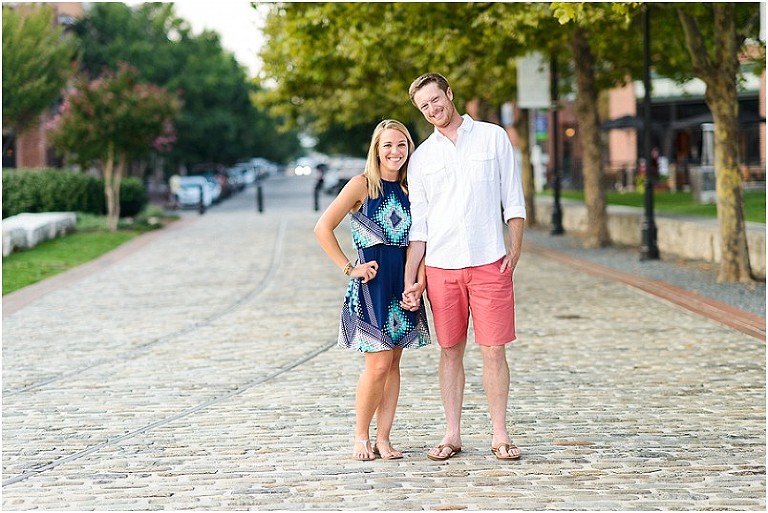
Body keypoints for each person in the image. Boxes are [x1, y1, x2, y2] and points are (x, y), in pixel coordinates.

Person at [401, 73, 526, 461]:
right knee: (450, 349)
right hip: (441, 267)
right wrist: (412, 279)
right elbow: (419, 227)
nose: (433, 109)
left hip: (490, 260)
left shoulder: (493, 137)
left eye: (436, 100)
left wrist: (515, 249)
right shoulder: (421, 158)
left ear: (450, 94)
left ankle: (500, 434)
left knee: (493, 351)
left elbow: (513, 198)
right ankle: (452, 433)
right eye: (424, 106)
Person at [314, 119, 431, 461]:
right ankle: (361, 436)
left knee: (394, 364)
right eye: (388, 145)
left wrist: (418, 282)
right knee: (378, 366)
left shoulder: (413, 190)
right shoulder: (362, 185)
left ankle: (384, 438)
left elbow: (422, 242)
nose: (395, 152)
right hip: (372, 286)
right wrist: (349, 268)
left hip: (403, 284)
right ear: (376, 150)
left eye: (401, 145)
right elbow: (323, 227)